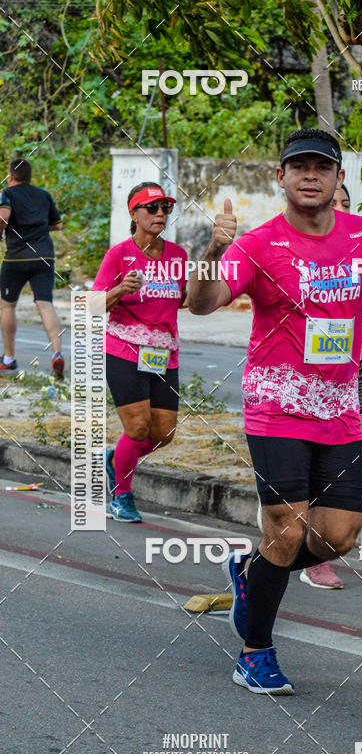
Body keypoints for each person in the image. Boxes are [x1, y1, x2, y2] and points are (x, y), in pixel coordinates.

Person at [188, 127, 362, 695]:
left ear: (339, 178)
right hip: (277, 403)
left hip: (338, 407)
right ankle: (255, 653)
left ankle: (251, 572)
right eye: (300, 167)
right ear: (281, 177)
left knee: (338, 536)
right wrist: (213, 252)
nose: (310, 176)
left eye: (322, 167)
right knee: (286, 528)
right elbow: (201, 304)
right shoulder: (258, 244)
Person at [92, 182, 235, 523]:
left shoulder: (178, 255)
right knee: (138, 427)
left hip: (163, 351)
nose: (160, 214)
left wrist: (215, 277)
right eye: (152, 207)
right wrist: (120, 289)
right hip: (124, 348)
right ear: (134, 213)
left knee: (164, 434)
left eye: (165, 208)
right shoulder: (119, 255)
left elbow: (187, 296)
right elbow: (91, 305)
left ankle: (117, 460)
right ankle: (122, 496)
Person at [297, 185, 362, 590]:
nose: (338, 209)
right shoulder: (294, 246)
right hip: (300, 377)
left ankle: (315, 551)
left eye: (345, 204)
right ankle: (294, 549)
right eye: (333, 202)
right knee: (305, 468)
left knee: (353, 460)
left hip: (351, 372)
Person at [0, 158, 65, 377]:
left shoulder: (6, 194)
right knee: (45, 304)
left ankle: (9, 359)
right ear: (29, 177)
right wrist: (38, 226)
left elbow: (3, 216)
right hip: (44, 256)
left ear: (10, 176)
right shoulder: (43, 195)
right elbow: (58, 224)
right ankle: (57, 353)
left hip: (16, 258)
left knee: (8, 305)